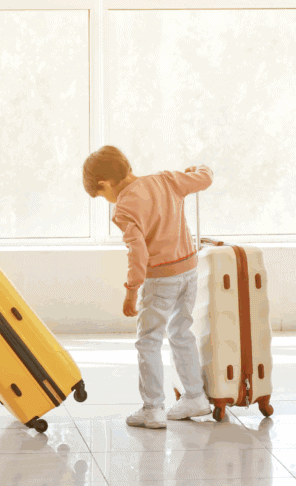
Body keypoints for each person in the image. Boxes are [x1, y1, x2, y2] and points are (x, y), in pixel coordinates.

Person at [82, 145, 213, 428]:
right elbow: (204, 179)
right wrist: (199, 168)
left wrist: (131, 291)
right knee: (181, 331)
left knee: (149, 340)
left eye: (102, 195)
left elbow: (138, 254)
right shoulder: (166, 179)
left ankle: (153, 408)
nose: (106, 201)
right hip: (190, 271)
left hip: (161, 279)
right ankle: (195, 396)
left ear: (104, 184)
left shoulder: (124, 208)